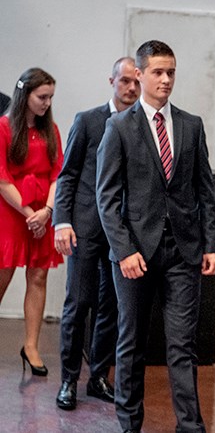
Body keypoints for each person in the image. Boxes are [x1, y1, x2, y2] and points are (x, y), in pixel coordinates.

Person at [96, 40, 215, 433]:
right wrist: (124, 249)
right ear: (139, 75)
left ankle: (191, 426)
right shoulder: (118, 126)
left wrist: (212, 244)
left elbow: (204, 190)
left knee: (182, 346)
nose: (166, 80)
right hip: (135, 254)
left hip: (183, 252)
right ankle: (130, 424)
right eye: (158, 72)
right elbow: (106, 196)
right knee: (131, 344)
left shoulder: (190, 124)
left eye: (171, 72)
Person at [53, 57, 140, 410]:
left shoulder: (142, 126)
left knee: (113, 307)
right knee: (78, 303)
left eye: (136, 82)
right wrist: (62, 221)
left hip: (122, 232)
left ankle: (99, 376)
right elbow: (68, 174)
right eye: (125, 81)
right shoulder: (88, 121)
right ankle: (69, 381)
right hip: (85, 227)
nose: (131, 88)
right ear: (112, 81)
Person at [0, 68, 64, 376]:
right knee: (2, 277)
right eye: (42, 97)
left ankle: (31, 346)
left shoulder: (51, 129)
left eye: (50, 97)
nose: (47, 103)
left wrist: (47, 211)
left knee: (38, 278)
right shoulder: (3, 128)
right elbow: (1, 179)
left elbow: (57, 175)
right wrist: (29, 214)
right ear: (25, 95)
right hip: (12, 214)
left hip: (43, 213)